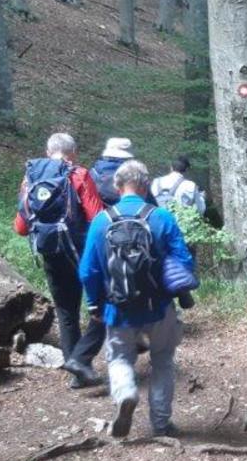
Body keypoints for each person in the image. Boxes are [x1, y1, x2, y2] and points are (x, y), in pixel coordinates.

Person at [79, 161, 194, 438]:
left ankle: (126, 393)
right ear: (145, 186)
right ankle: (161, 423)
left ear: (117, 187)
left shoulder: (101, 221)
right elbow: (185, 261)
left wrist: (94, 303)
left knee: (119, 358)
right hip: (159, 306)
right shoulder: (161, 217)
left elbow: (87, 270)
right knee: (163, 359)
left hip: (117, 308)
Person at [14, 133, 107, 389]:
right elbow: (97, 219)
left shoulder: (31, 177)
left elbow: (21, 227)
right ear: (73, 152)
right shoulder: (79, 174)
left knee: (67, 313)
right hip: (82, 253)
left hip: (51, 253)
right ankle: (82, 359)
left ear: (48, 152)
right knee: (104, 304)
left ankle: (77, 374)